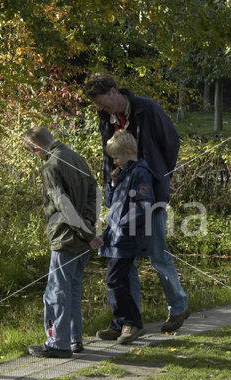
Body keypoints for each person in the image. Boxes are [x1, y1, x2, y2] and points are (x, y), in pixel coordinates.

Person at [83, 73, 190, 333]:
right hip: (121, 193)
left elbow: (172, 142)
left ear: (114, 91)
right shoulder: (105, 118)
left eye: (101, 102)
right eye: (97, 105)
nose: (100, 108)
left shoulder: (148, 108)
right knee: (123, 255)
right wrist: (111, 186)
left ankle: (178, 308)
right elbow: (108, 153)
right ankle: (129, 321)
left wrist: (162, 178)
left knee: (157, 252)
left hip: (149, 194)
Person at [23, 127, 104, 358]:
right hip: (82, 236)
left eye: (33, 153)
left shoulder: (50, 166)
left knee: (56, 292)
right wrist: (90, 224)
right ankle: (74, 340)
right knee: (74, 290)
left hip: (66, 236)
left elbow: (62, 204)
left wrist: (85, 232)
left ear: (37, 147)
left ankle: (57, 343)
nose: (35, 157)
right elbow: (95, 192)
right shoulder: (77, 158)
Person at [96, 130, 155, 344]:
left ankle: (132, 322)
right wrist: (113, 184)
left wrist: (120, 224)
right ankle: (120, 322)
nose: (114, 162)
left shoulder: (140, 173)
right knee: (117, 280)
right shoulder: (124, 173)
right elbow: (112, 204)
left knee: (115, 280)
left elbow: (144, 206)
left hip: (127, 237)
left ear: (128, 152)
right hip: (116, 237)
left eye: (116, 157)